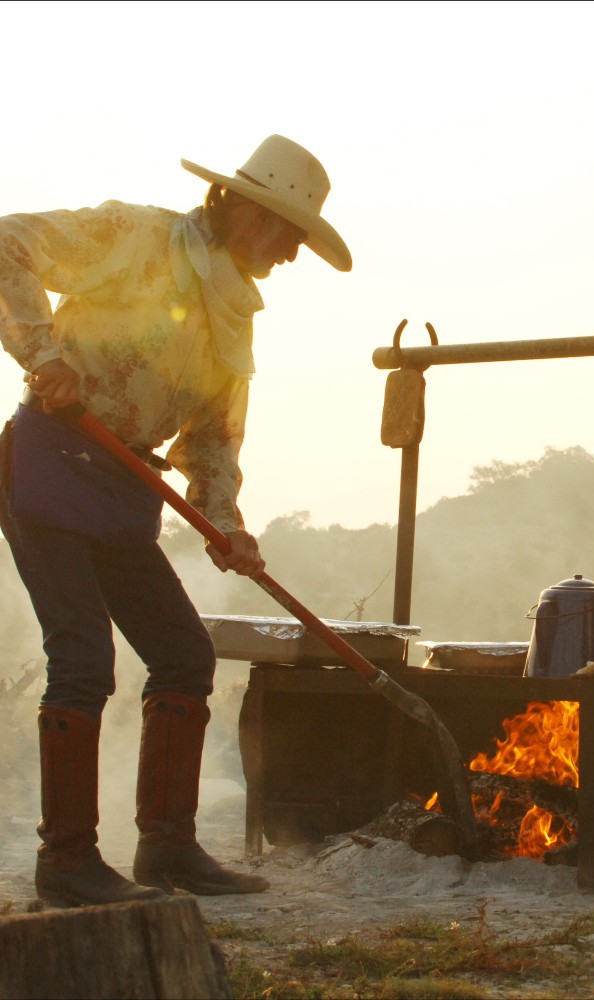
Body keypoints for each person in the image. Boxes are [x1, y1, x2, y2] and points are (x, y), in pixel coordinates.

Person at [0, 135, 352, 906]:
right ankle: (65, 861)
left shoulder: (235, 319)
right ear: (244, 210)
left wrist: (226, 523)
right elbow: (8, 242)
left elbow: (213, 440)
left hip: (124, 486)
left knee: (184, 654)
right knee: (85, 658)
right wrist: (41, 352)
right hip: (52, 461)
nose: (291, 255)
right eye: (288, 233)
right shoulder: (133, 236)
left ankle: (167, 848)